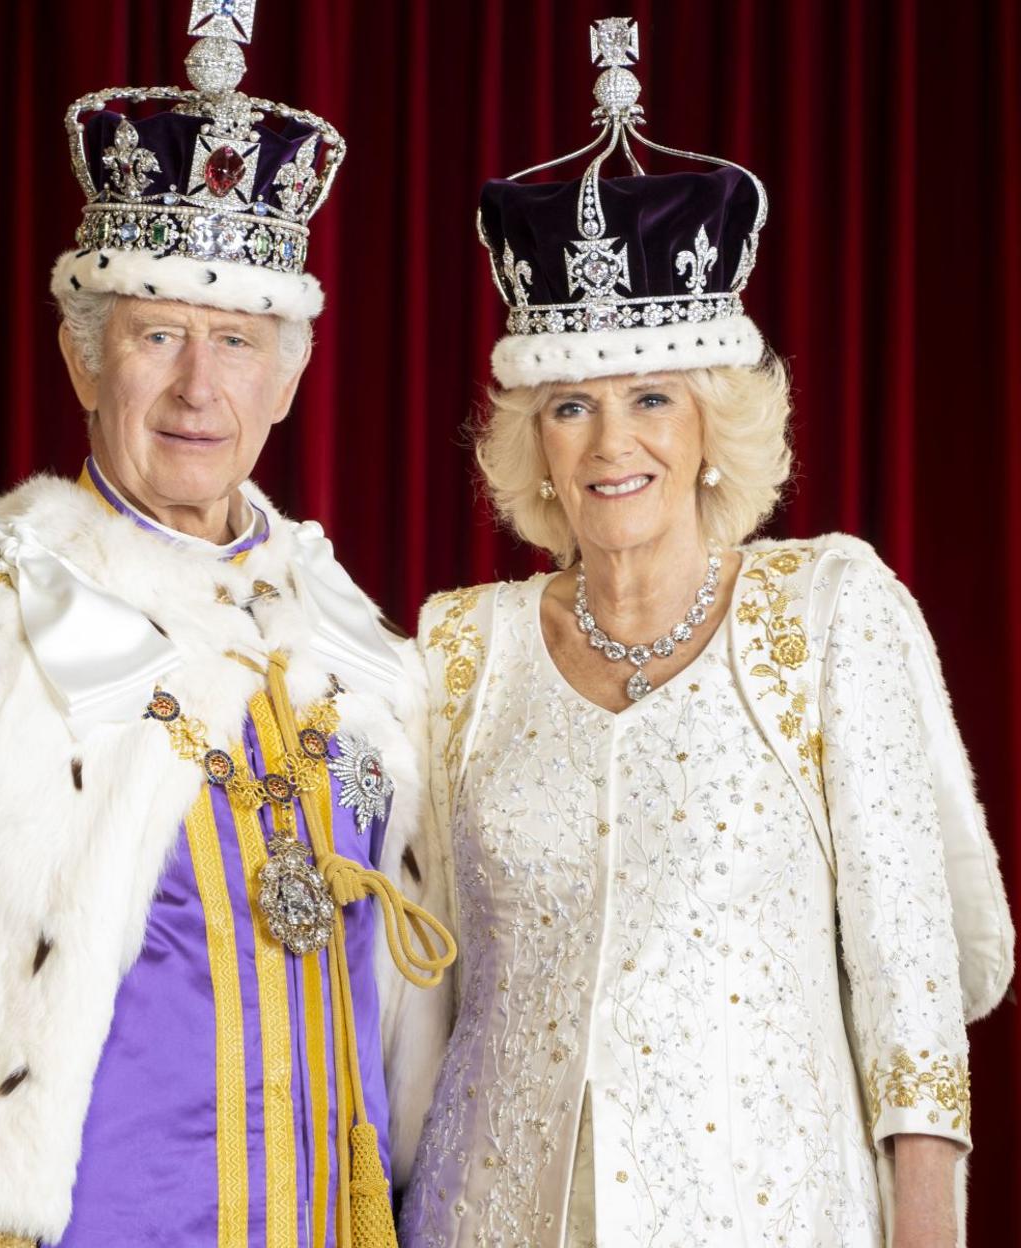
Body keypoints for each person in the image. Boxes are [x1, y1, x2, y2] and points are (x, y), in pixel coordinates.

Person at [0, 5, 452, 1246]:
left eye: (238, 342)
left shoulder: (363, 652)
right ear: (85, 358)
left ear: (289, 376)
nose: (201, 387)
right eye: (158, 336)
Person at [399, 18, 1012, 1248]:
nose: (612, 444)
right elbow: (411, 998)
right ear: (533, 443)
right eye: (570, 405)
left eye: (651, 399)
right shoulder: (456, 654)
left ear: (711, 422)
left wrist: (929, 1226)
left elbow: (914, 982)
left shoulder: (831, 618)